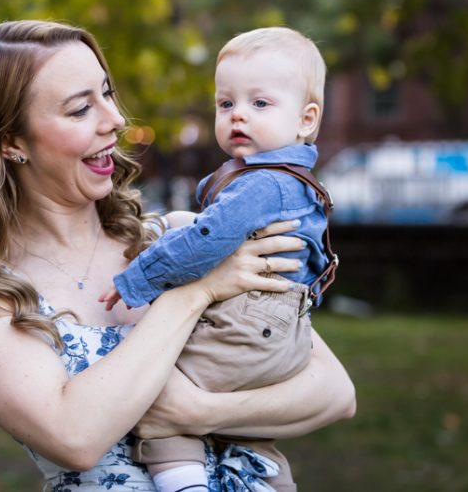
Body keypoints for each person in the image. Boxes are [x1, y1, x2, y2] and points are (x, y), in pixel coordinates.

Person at [0, 20, 356, 492]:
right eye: (81, 109)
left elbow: (334, 392)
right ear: (11, 142)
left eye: (106, 93)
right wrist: (194, 293)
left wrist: (201, 413)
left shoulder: (178, 237)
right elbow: (74, 436)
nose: (115, 120)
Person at [98, 27, 336, 492]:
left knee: (156, 390)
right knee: (252, 435)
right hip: (280, 332)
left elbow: (211, 237)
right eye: (226, 104)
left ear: (306, 120)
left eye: (260, 104)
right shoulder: (289, 180)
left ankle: (184, 483)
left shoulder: (263, 183)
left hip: (247, 322)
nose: (238, 115)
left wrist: (139, 277)